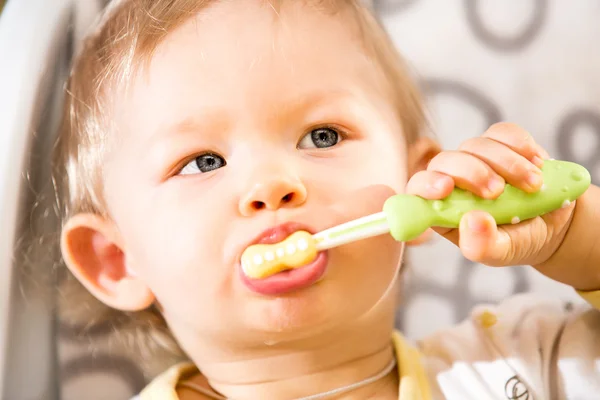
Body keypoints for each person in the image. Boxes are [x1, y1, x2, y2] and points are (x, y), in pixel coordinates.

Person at [54, 0, 600, 398]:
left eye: (323, 136)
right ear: (116, 260)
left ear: (415, 179)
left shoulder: (524, 364)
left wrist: (575, 238)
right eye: (203, 162)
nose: (273, 184)